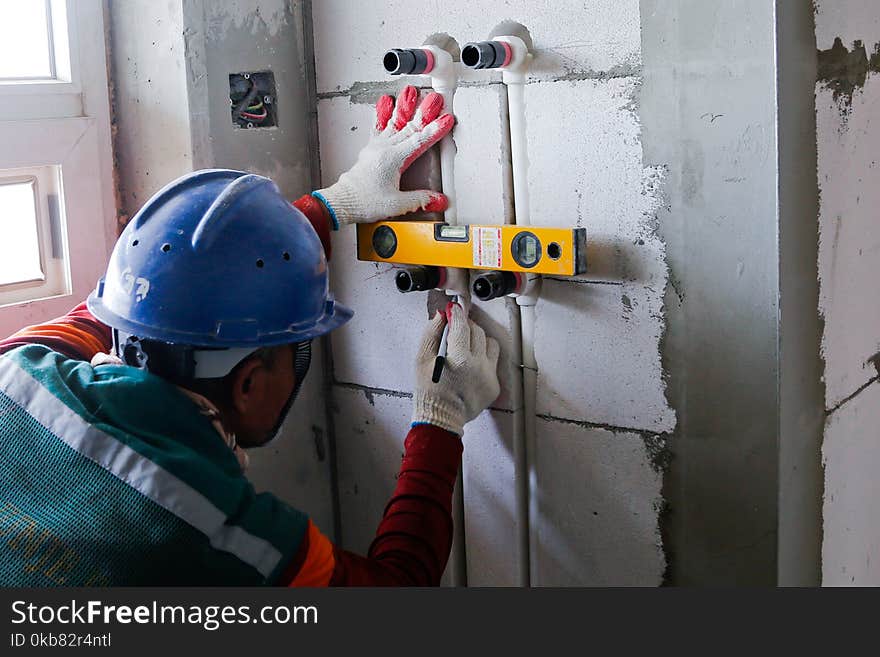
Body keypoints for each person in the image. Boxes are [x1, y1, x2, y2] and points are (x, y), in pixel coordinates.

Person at [0, 86, 500, 586]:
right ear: (248, 382)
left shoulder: (16, 370)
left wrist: (331, 206)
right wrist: (439, 421)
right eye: (296, 349)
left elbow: (168, 288)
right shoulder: (212, 527)